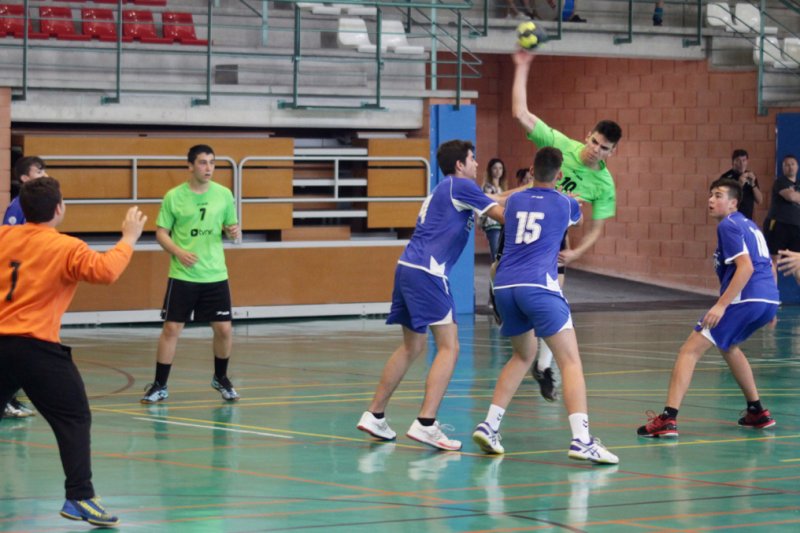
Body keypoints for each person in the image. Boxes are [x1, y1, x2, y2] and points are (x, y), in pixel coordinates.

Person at [0, 177, 147, 526]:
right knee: (74, 419)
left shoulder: (4, 237)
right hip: (36, 349)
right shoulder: (65, 247)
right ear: (59, 209)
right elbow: (106, 271)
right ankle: (79, 496)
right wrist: (128, 238)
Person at [471, 147, 618, 464]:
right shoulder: (565, 204)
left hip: (505, 286)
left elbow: (507, 206)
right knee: (570, 362)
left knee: (523, 356)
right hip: (539, 286)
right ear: (560, 174)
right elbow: (577, 216)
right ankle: (581, 439)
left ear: (532, 170)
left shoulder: (514, 202)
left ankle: (490, 424)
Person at [356, 139, 505, 451]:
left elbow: (498, 196)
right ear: (460, 165)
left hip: (407, 267)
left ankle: (375, 414)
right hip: (428, 272)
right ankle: (426, 423)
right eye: (472, 159)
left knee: (413, 345)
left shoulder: (447, 189)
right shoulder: (459, 185)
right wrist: (544, 199)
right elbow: (502, 212)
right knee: (449, 347)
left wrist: (528, 191)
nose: (477, 164)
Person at [511, 49, 622, 403]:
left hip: (554, 242)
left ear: (611, 152)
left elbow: (596, 228)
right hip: (521, 228)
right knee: (516, 291)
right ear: (586, 136)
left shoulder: (605, 185)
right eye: (593, 141)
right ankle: (530, 351)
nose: (595, 150)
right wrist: (522, 68)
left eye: (603, 148)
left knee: (554, 300)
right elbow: (521, 113)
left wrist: (576, 252)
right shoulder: (560, 145)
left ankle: (544, 365)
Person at [637, 178, 778, 438]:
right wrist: (769, 304)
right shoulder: (749, 226)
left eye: (718, 195)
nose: (711, 200)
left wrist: (721, 305)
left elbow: (746, 268)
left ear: (733, 203)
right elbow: (768, 265)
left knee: (689, 351)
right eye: (711, 195)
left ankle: (668, 419)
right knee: (729, 347)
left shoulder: (729, 224)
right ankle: (756, 411)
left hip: (744, 298)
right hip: (766, 298)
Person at [140, 144, 241, 404]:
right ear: (190, 166)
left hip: (215, 274)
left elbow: (231, 226)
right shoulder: (174, 197)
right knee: (172, 328)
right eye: (203, 162)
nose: (208, 168)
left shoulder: (224, 195)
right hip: (183, 274)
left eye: (212, 163)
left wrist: (234, 232)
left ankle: (221, 378)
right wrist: (178, 252)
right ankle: (160, 385)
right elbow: (161, 232)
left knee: (224, 330)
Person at [2, 156, 48, 419]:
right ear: (24, 178)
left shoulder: (36, 209)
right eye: (38, 171)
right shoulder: (17, 208)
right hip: (17, 289)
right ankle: (8, 397)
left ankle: (12, 397)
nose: (44, 174)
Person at [764, 155, 800, 264]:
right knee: (775, 259)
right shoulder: (780, 182)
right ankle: (772, 281)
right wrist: (795, 196)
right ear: (783, 168)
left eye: (792, 164)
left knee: (797, 261)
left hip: (796, 227)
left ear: (797, 166)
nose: (790, 167)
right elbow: (791, 197)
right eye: (787, 165)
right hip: (779, 225)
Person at [719, 149, 762, 220]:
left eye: (744, 160)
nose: (741, 164)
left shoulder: (750, 176)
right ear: (733, 162)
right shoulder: (726, 178)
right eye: (738, 161)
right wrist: (739, 184)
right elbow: (724, 200)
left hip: (747, 220)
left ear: (747, 161)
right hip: (731, 219)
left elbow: (759, 200)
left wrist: (753, 184)